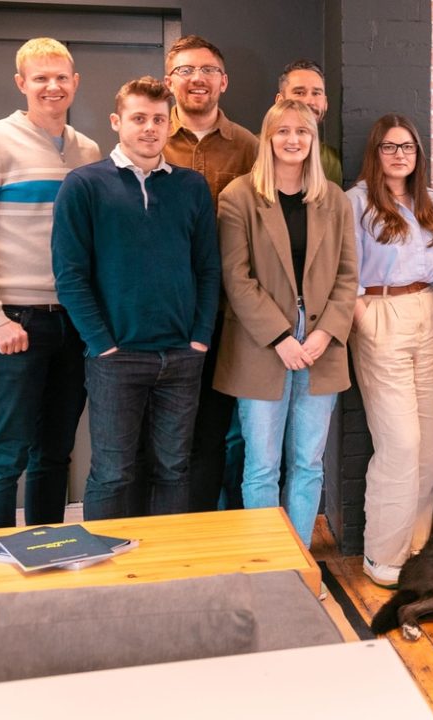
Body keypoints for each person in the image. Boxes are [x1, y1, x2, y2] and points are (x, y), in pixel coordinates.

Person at [0, 37, 103, 529]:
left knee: (55, 452)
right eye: (40, 78)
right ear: (21, 83)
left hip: (73, 321)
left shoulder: (87, 151)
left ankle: (45, 550)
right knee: (6, 452)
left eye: (61, 77)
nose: (52, 86)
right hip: (16, 322)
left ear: (75, 82)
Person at [51, 77, 220, 520]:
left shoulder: (191, 187)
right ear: (116, 121)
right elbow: (70, 276)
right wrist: (101, 344)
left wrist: (199, 338)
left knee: (174, 470)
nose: (150, 128)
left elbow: (208, 269)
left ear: (170, 124)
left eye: (159, 120)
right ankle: (106, 562)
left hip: (181, 356)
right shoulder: (83, 185)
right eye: (139, 118)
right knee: (113, 473)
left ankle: (165, 561)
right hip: (116, 358)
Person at [213, 99, 358, 548]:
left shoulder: (334, 200)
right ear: (268, 138)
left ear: (313, 139)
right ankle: (268, 563)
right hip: (261, 344)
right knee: (261, 466)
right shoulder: (239, 196)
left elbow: (348, 275)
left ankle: (299, 560)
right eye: (283, 131)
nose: (293, 140)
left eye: (302, 132)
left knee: (308, 464)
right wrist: (280, 337)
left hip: (320, 344)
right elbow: (236, 278)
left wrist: (324, 333)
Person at [347, 114, 433, 587]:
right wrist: (364, 319)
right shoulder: (356, 201)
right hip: (380, 312)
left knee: (427, 449)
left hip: (428, 312)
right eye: (389, 147)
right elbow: (344, 270)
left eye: (407, 147)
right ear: (376, 152)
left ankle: (416, 549)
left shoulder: (430, 202)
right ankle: (382, 554)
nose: (399, 155)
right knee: (400, 444)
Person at [162, 34, 260, 514]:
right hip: (163, 313)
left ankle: (204, 531)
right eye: (185, 70)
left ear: (224, 81)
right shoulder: (150, 138)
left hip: (226, 313)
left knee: (212, 433)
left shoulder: (249, 148)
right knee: (160, 434)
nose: (197, 78)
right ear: (169, 81)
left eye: (207, 70)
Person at [276, 59, 341, 186]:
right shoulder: (253, 149)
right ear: (280, 101)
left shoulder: (332, 161)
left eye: (316, 93)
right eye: (299, 93)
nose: (309, 101)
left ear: (325, 103)